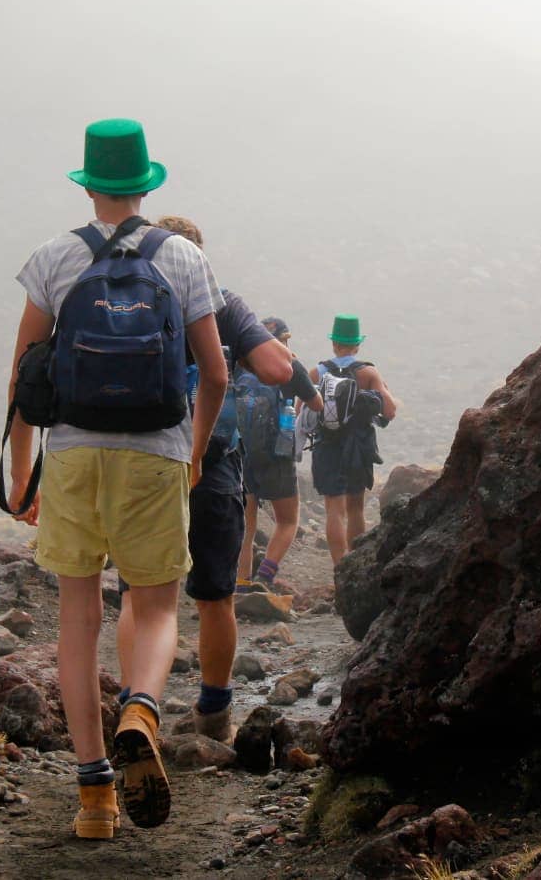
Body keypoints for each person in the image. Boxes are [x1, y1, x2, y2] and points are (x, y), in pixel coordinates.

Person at [6, 120, 227, 839]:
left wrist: (21, 476)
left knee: (78, 623)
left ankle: (96, 800)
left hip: (71, 456)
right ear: (143, 184)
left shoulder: (55, 256)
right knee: (159, 608)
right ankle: (141, 709)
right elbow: (217, 373)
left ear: (90, 183)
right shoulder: (185, 257)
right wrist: (191, 449)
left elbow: (23, 376)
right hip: (157, 452)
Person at [113, 218, 319, 744]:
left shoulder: (120, 300)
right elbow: (278, 367)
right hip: (210, 462)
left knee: (137, 594)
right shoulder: (221, 302)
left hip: (137, 462)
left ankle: (134, 706)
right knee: (216, 597)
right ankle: (213, 714)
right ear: (199, 257)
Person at [309, 314, 398, 564]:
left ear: (334, 344)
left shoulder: (317, 372)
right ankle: (355, 564)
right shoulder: (368, 372)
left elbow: (302, 411)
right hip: (358, 447)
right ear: (357, 345)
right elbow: (390, 411)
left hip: (326, 445)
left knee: (333, 510)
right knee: (355, 506)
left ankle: (339, 566)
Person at [238, 317, 305, 594]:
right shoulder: (290, 366)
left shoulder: (239, 366)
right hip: (277, 454)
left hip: (242, 454)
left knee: (246, 523)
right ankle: (265, 576)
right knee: (288, 520)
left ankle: (240, 583)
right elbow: (316, 403)